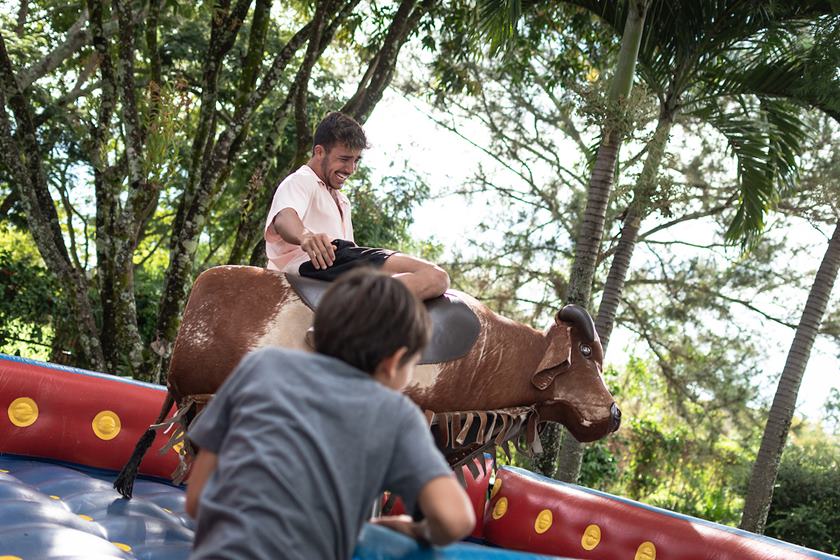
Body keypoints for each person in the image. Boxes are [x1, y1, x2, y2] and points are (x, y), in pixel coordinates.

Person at [185, 270, 475, 560]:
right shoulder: (396, 413)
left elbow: (197, 499)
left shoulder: (261, 366)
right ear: (395, 361)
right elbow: (455, 519)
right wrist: (413, 530)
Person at [264, 111, 450, 301]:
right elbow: (284, 217)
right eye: (344, 159)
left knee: (417, 280)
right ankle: (356, 315)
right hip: (317, 263)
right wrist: (305, 236)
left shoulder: (343, 201)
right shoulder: (302, 180)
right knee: (434, 276)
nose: (351, 169)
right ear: (319, 152)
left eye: (356, 160)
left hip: (340, 265)